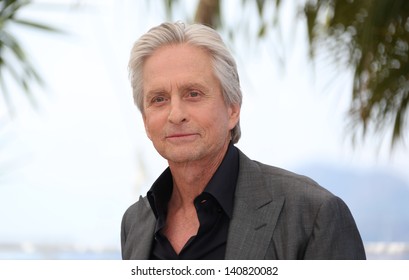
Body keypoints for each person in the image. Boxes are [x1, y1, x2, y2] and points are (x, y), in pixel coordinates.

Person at [121, 21, 366, 260]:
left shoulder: (312, 214)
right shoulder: (135, 223)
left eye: (193, 94)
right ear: (145, 120)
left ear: (232, 110)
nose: (176, 114)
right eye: (159, 99)